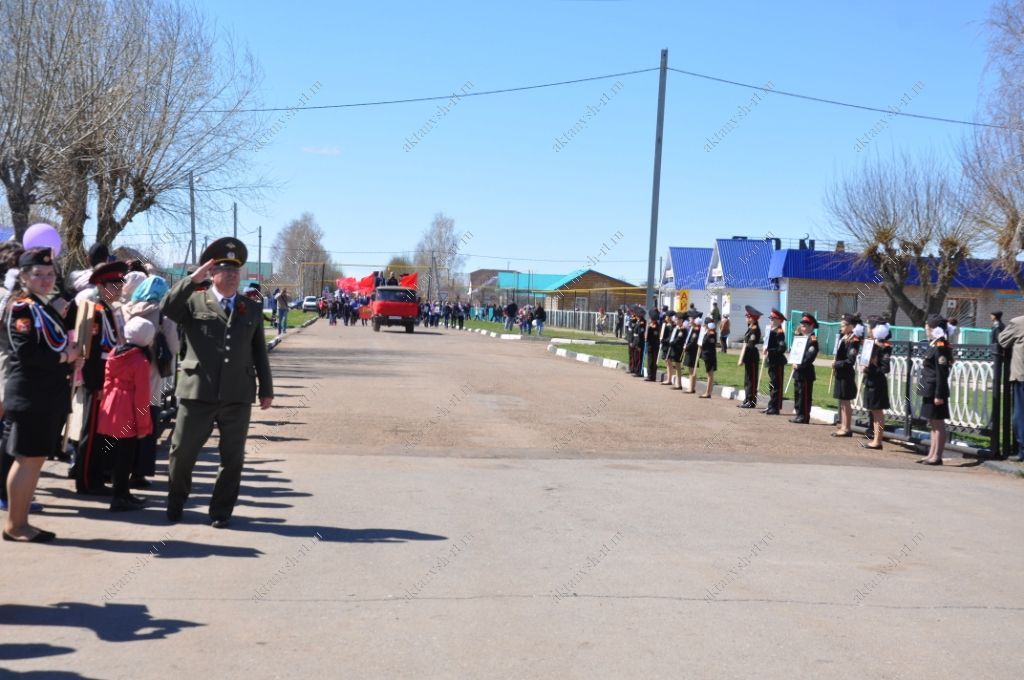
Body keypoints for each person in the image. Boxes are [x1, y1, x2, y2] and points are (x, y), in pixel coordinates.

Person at [162, 238, 274, 527]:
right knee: (183, 452)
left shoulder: (250, 307)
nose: (232, 275)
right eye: (224, 270)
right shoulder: (194, 301)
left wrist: (266, 389)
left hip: (237, 393)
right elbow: (167, 308)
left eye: (236, 270)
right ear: (212, 273)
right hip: (197, 391)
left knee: (233, 458)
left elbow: (258, 350)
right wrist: (191, 279)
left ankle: (221, 511)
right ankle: (176, 502)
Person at [2, 248, 82, 542]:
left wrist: (72, 358)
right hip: (29, 395)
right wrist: (64, 357)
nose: (46, 280)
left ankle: (21, 522)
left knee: (34, 460)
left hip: (44, 395)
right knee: (27, 459)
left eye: (50, 275)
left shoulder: (41, 306)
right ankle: (15, 524)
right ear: (24, 277)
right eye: (38, 274)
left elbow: (55, 346)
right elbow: (25, 352)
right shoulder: (23, 307)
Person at [74, 260, 129, 496]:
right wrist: (96, 384)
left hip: (108, 381)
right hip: (97, 381)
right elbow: (92, 352)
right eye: (114, 284)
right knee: (92, 431)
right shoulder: (96, 311)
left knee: (101, 433)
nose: (119, 288)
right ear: (101, 284)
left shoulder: (108, 310)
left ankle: (96, 476)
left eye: (120, 283)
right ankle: (86, 480)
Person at [122, 275, 179, 489]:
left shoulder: (125, 309)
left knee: (124, 425)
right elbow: (173, 347)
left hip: (125, 377)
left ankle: (116, 467)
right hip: (152, 378)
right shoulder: (164, 314)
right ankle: (139, 473)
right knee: (147, 425)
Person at [97, 316, 155, 512]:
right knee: (126, 456)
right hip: (128, 408)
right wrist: (144, 425)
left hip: (112, 404)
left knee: (116, 453)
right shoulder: (140, 361)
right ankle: (120, 496)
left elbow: (107, 381)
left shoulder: (114, 352)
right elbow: (142, 397)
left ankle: (122, 493)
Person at [918, 315, 952, 465]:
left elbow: (941, 373)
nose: (927, 330)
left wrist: (939, 394)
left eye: (929, 328)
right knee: (932, 423)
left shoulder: (941, 346)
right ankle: (931, 454)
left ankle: (937, 456)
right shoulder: (934, 344)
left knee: (938, 424)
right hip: (929, 388)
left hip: (936, 390)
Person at [861, 320, 892, 450]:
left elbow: (885, 368)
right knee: (874, 412)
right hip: (870, 381)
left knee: (878, 413)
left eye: (870, 328)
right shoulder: (871, 343)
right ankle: (875, 438)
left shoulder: (884, 346)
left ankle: (878, 440)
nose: (868, 330)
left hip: (877, 382)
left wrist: (871, 368)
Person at [998, 313, 1024, 462]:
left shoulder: (1019, 322)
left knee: (1020, 414)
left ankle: (1022, 450)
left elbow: (1002, 340)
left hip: (1021, 376)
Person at [831, 314, 861, 437]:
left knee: (846, 401)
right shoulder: (844, 338)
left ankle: (847, 427)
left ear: (851, 326)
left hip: (846, 373)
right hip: (841, 372)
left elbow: (850, 360)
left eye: (844, 325)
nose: (841, 327)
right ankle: (843, 425)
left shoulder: (854, 340)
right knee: (842, 401)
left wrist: (837, 364)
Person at [789, 313, 819, 424]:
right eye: (802, 325)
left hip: (806, 372)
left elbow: (810, 357)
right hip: (798, 372)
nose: (803, 327)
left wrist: (799, 365)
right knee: (797, 393)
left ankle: (804, 415)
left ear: (811, 326)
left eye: (806, 325)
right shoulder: (800, 338)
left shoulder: (813, 340)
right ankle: (798, 414)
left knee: (804, 395)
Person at [763, 309, 787, 415]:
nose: (771, 320)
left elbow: (782, 348)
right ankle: (771, 405)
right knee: (772, 384)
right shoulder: (771, 331)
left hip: (777, 362)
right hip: (772, 361)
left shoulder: (779, 332)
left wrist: (770, 350)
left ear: (779, 320)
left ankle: (775, 407)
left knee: (776, 385)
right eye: (771, 318)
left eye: (773, 318)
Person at [737, 306, 762, 408]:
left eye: (748, 316)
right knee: (747, 379)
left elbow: (750, 345)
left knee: (752, 379)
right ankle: (747, 399)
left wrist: (743, 359)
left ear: (752, 318)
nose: (746, 318)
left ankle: (751, 401)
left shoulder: (754, 329)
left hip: (752, 356)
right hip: (749, 356)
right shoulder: (750, 328)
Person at [664, 314, 685, 389]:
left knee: (678, 367)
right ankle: (677, 383)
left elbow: (678, 339)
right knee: (676, 366)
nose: (675, 321)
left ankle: (678, 384)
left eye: (677, 319)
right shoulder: (676, 328)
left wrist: (672, 342)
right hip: (674, 349)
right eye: (675, 319)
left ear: (681, 320)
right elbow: (672, 337)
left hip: (678, 350)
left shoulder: (682, 329)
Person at [699, 320, 718, 398]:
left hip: (710, 356)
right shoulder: (707, 332)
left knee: (710, 374)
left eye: (705, 324)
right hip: (707, 356)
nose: (704, 326)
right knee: (709, 374)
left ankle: (708, 392)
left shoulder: (711, 333)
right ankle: (708, 392)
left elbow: (706, 344)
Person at [683, 313, 701, 393]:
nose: (689, 321)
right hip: (690, 351)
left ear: (694, 320)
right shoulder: (692, 328)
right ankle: (691, 387)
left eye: (690, 319)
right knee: (690, 370)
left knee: (692, 370)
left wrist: (686, 347)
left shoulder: (696, 329)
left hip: (692, 351)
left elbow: (693, 342)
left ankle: (691, 387)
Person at [644, 309, 661, 382]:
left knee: (654, 361)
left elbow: (659, 336)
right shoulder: (649, 326)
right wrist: (648, 327)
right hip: (650, 345)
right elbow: (646, 337)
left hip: (656, 345)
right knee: (650, 361)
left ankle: (653, 376)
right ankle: (649, 375)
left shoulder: (658, 326)